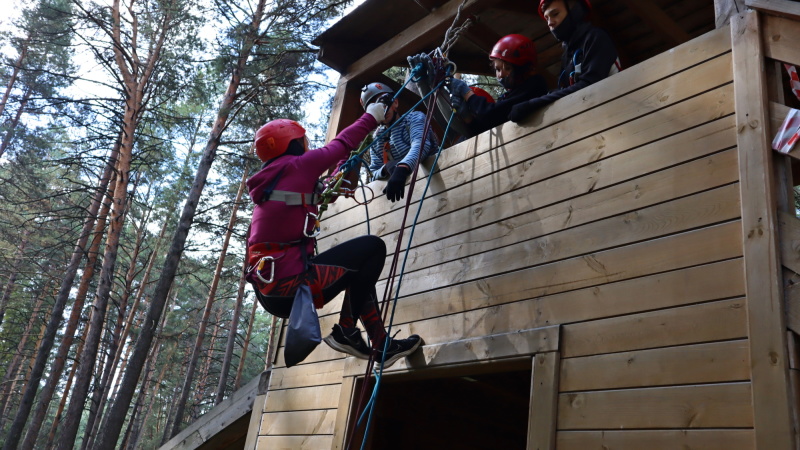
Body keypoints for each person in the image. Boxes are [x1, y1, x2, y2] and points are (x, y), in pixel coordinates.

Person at [245, 105, 423, 368]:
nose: (306, 145)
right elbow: (342, 143)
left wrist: (339, 169)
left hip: (271, 289)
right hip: (290, 283)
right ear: (292, 143)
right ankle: (347, 331)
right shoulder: (296, 166)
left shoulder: (272, 180)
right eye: (302, 141)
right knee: (372, 248)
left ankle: (381, 344)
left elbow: (312, 196)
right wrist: (372, 116)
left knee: (360, 270)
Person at [509, 0, 620, 122]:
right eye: (546, 19)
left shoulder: (596, 37)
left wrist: (533, 104)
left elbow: (589, 85)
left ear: (575, 11)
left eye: (555, 14)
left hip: (615, 115)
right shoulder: (567, 56)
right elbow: (565, 90)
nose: (550, 23)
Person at [447, 34, 549, 137]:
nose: (500, 74)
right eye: (498, 69)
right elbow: (486, 128)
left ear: (524, 68)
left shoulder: (534, 86)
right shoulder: (511, 95)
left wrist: (467, 94)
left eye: (508, 68)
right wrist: (468, 119)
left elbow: (490, 115)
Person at [362, 82, 439, 202]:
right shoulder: (377, 139)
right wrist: (387, 168)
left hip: (439, 173)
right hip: (411, 196)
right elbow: (373, 173)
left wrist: (402, 168)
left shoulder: (414, 118)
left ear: (395, 103)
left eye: (384, 101)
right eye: (374, 107)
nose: (381, 108)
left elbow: (421, 144)